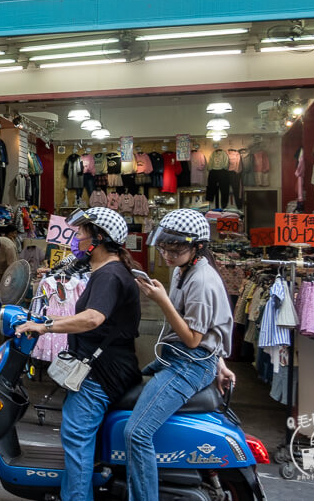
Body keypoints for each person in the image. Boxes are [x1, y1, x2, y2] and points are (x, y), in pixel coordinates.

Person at [15, 207, 141, 501]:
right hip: (108, 366)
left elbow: (93, 318)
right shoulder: (106, 270)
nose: (76, 237)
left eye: (82, 233)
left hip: (101, 374)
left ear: (97, 238)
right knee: (81, 439)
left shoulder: (109, 274)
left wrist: (45, 325)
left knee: (76, 438)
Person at [124, 209, 235, 501]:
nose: (169, 254)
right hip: (180, 358)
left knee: (136, 433)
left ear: (198, 247)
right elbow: (211, 329)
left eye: (177, 248)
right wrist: (220, 362)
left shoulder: (201, 281)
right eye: (165, 246)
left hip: (189, 365)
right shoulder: (182, 270)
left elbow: (193, 338)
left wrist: (161, 301)